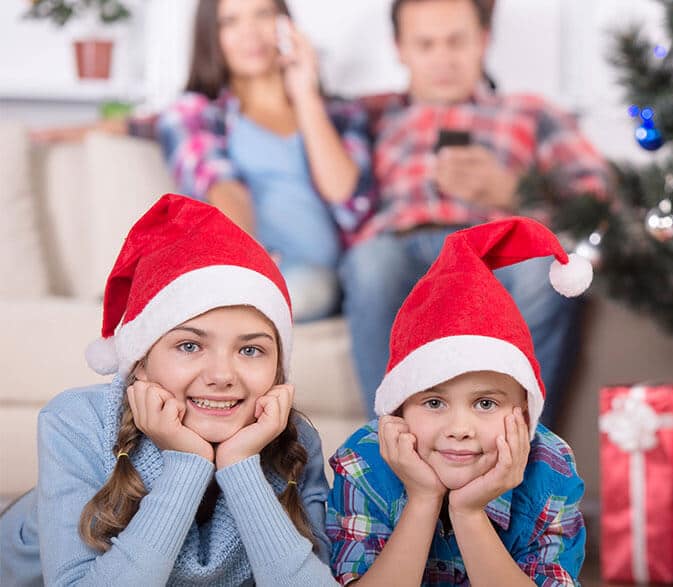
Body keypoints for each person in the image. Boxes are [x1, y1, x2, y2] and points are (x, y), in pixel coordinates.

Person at [0, 194, 338, 586]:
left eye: (250, 350)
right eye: (189, 346)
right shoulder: (76, 421)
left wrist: (241, 466)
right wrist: (187, 464)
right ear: (139, 363)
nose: (221, 375)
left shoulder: (292, 437)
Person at [340, 0, 611, 422]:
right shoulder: (368, 114)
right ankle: (388, 449)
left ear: (483, 40)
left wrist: (513, 191)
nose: (442, 59)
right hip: (400, 246)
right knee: (369, 263)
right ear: (400, 48)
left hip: (494, 250)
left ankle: (523, 449)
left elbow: (595, 193)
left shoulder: (530, 112)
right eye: (425, 44)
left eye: (456, 41)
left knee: (546, 271)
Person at [327, 217, 590, 585]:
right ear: (398, 409)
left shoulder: (550, 467)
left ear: (525, 412)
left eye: (485, 404)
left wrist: (469, 513)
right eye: (434, 403)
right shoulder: (364, 460)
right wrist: (422, 500)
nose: (459, 430)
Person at [157, 0, 374, 322]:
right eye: (230, 22)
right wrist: (252, 264)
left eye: (263, 14)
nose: (250, 33)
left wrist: (304, 94)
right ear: (211, 36)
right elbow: (221, 188)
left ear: (286, 24)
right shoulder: (195, 113)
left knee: (303, 289)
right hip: (249, 267)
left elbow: (343, 192)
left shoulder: (342, 115)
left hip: (326, 280)